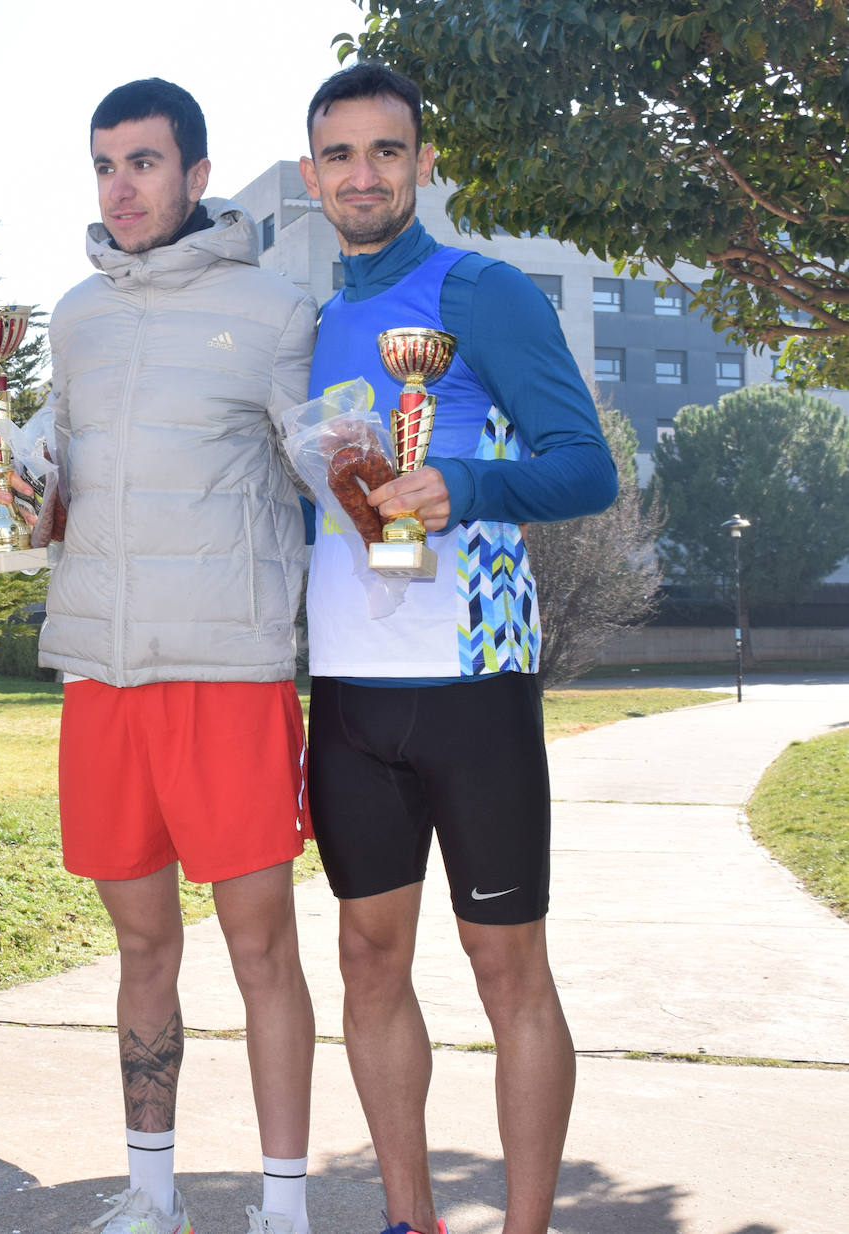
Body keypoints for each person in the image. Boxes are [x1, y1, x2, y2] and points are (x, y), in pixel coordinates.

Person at [0, 78, 318, 1234]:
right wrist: (26, 494)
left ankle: (284, 1207)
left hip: (228, 677)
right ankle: (150, 1191)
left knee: (261, 947)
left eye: (142, 162)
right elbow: (58, 502)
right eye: (103, 165)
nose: (120, 186)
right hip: (102, 677)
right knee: (139, 944)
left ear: (196, 174)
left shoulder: (276, 309)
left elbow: (327, 470)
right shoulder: (73, 317)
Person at [296, 63, 619, 1234]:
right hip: (348, 696)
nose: (364, 175)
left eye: (388, 151)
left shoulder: (479, 290)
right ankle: (407, 1220)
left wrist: (463, 484)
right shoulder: (317, 322)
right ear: (312, 175)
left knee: (507, 970)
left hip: (474, 684)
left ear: (425, 164)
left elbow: (586, 467)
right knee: (369, 966)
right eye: (341, 155)